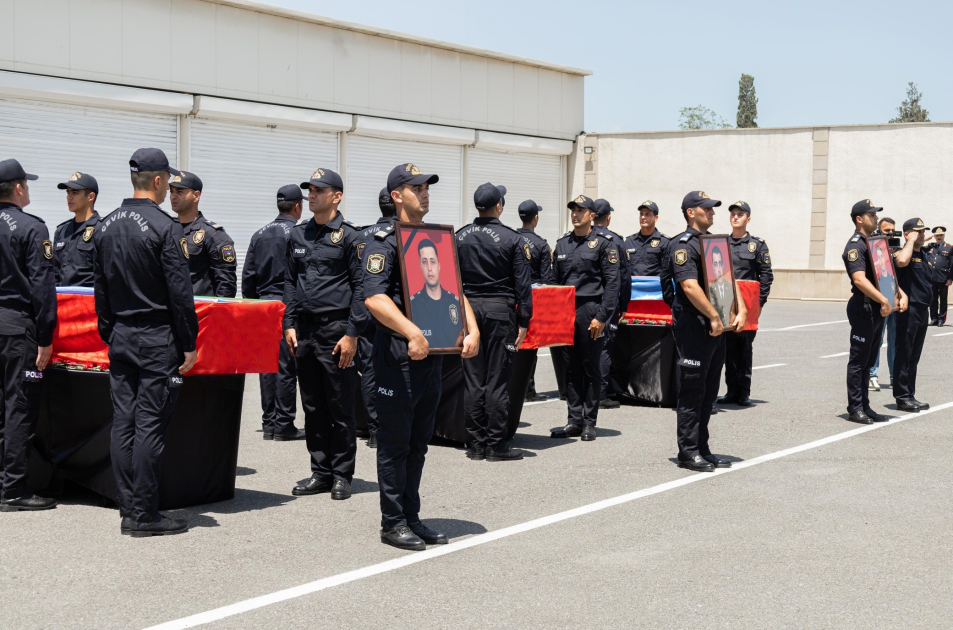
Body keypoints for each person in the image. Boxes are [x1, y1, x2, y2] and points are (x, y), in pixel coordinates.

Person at [363, 162, 478, 551]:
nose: (425, 192)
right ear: (397, 195)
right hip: (398, 353)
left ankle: (411, 517)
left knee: (418, 442)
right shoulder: (384, 241)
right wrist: (411, 331)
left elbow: (454, 289)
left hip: (432, 355)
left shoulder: (434, 239)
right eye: (416, 188)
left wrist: (471, 327)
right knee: (395, 443)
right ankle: (392, 522)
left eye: (427, 187)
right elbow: (374, 298)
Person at [93, 148, 198, 536]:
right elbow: (180, 294)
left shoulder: (104, 226)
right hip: (156, 338)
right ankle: (145, 515)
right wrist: (188, 342)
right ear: (157, 181)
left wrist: (110, 330)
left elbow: (99, 290)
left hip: (120, 334)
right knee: (149, 426)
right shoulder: (166, 228)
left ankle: (128, 509)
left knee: (124, 424)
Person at [283, 168, 367, 501]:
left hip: (337, 331)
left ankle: (342, 475)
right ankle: (320, 472)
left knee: (340, 406)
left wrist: (352, 333)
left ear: (337, 196)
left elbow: (362, 288)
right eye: (310, 190)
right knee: (313, 406)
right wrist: (288, 323)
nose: (311, 194)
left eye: (319, 190)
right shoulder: (298, 235)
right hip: (304, 331)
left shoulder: (350, 237)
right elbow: (289, 281)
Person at [664, 191, 746, 473]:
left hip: (717, 324)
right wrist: (712, 314)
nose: (712, 213)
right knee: (692, 390)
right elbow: (688, 286)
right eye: (706, 209)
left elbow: (728, 278)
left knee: (709, 391)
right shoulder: (683, 245)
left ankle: (702, 447)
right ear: (691, 212)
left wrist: (741, 309)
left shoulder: (714, 243)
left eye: (712, 209)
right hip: (694, 324)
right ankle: (688, 452)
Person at [456, 182, 533, 462]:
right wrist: (525, 320)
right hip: (500, 312)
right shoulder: (513, 239)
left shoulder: (460, 236)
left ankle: (476, 444)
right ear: (498, 206)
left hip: (468, 312)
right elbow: (523, 286)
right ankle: (496, 445)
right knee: (497, 380)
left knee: (474, 380)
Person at [0, 159, 58, 512]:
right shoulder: (31, 227)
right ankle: (13, 490)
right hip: (17, 327)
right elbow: (42, 287)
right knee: (18, 407)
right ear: (19, 188)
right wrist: (46, 336)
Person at [549, 195, 621, 442]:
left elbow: (613, 284)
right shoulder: (562, 245)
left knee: (591, 368)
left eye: (581, 210)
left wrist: (602, 317)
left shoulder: (604, 244)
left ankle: (589, 422)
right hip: (566, 312)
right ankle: (573, 420)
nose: (576, 214)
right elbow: (554, 283)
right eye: (573, 210)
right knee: (570, 368)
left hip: (591, 311)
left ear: (592, 215)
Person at [241, 185, 304, 442]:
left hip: (263, 306)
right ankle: (284, 424)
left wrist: (253, 306)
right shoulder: (299, 233)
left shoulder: (259, 234)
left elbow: (248, 277)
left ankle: (269, 423)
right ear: (297, 206)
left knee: (267, 366)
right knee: (287, 365)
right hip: (287, 304)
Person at [841, 199, 907, 425]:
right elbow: (859, 279)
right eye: (872, 215)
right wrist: (882, 300)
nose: (876, 218)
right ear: (859, 219)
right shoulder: (855, 245)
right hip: (864, 307)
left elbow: (885, 272)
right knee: (859, 361)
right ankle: (855, 408)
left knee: (869, 360)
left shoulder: (875, 243)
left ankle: (865, 406)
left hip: (878, 306)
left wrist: (899, 293)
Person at [717, 201, 773, 407]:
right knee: (727, 349)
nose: (735, 217)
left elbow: (766, 276)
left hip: (747, 307)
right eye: (733, 214)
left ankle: (743, 393)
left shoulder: (757, 245)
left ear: (748, 219)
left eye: (740, 214)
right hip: (724, 304)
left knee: (744, 349)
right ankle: (731, 391)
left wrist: (758, 304)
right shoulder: (720, 243)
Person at [355, 187, 396, 449]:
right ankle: (389, 428)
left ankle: (373, 429)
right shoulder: (405, 234)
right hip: (395, 314)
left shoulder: (362, 234)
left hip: (366, 310)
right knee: (395, 371)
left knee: (370, 370)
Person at [169, 172, 237, 298]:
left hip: (200, 312)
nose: (173, 196)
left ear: (196, 195)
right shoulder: (167, 229)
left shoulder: (212, 234)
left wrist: (217, 314)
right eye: (171, 192)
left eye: (179, 192)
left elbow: (226, 283)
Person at [516, 199, 555, 402]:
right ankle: (528, 389)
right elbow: (547, 280)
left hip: (512, 300)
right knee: (531, 346)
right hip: (532, 302)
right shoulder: (541, 244)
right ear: (536, 218)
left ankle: (514, 387)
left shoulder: (511, 238)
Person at [892, 218, 932, 412]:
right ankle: (901, 397)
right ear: (907, 233)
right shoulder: (903, 252)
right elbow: (901, 261)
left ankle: (910, 394)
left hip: (922, 310)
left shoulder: (924, 254)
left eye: (923, 232)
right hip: (908, 310)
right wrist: (909, 241)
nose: (922, 234)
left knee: (914, 356)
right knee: (904, 353)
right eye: (918, 231)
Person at [591, 199, 628, 410]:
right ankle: (600, 393)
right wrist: (624, 303)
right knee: (604, 346)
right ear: (609, 217)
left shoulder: (582, 238)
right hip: (607, 302)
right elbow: (623, 276)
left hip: (585, 303)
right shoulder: (613, 240)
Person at [409, 238, 464, 349]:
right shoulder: (412, 305)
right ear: (420, 266)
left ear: (439, 266)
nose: (429, 268)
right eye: (425, 262)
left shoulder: (456, 302)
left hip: (452, 363)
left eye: (432, 261)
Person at [52, 172, 101, 287]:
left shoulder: (102, 229)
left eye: (75, 192)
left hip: (89, 301)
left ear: (91, 196)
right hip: (63, 301)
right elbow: (54, 273)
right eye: (68, 192)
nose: (69, 197)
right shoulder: (61, 231)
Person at [624, 200, 674, 305]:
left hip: (657, 298)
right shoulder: (629, 241)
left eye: (647, 214)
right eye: (641, 214)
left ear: (656, 218)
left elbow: (668, 273)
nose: (643, 217)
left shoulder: (665, 242)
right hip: (631, 297)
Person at [868, 217, 897, 391]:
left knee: (894, 340)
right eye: (887, 231)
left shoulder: (897, 250)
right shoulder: (874, 249)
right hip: (880, 301)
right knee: (877, 340)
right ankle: (872, 375)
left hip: (894, 300)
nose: (891, 234)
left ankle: (895, 376)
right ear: (879, 231)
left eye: (893, 230)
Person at [924, 226, 952, 326]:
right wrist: (925, 239)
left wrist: (950, 278)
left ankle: (941, 319)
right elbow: (917, 247)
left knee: (943, 300)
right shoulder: (930, 246)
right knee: (933, 299)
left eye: (940, 235)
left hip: (943, 278)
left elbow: (952, 265)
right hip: (931, 278)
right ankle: (934, 318)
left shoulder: (949, 248)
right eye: (937, 235)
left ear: (943, 235)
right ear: (934, 236)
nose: (939, 237)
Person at [707, 246, 733, 325]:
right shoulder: (709, 288)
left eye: (720, 263)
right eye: (715, 264)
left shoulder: (731, 287)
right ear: (712, 267)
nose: (718, 268)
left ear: (723, 265)